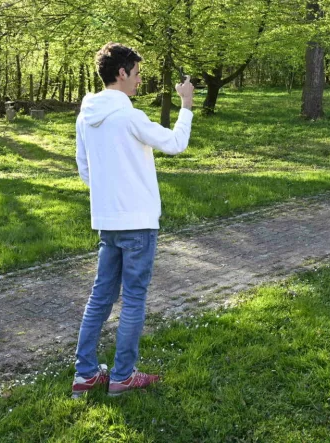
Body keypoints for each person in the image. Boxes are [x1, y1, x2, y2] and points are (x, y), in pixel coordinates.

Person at [71, 43, 195, 398]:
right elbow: (174, 143)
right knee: (134, 299)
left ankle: (86, 374)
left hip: (107, 222)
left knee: (101, 298)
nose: (140, 81)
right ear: (121, 73)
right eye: (138, 74)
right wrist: (186, 105)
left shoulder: (85, 115)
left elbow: (85, 170)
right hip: (138, 223)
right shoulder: (129, 116)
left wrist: (111, 195)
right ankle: (123, 376)